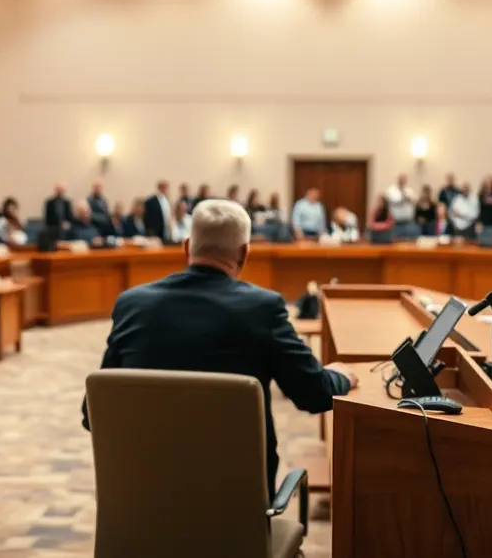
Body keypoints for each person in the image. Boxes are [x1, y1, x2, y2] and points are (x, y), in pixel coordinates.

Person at [81, 199, 356, 497]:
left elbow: (94, 413)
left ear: (187, 247)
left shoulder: (133, 304)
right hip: (236, 513)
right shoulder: (262, 309)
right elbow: (314, 394)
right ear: (244, 253)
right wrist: (342, 376)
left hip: (143, 507)